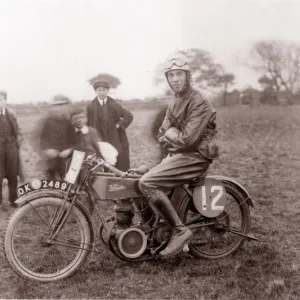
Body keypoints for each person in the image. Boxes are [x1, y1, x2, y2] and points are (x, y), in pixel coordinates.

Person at [138, 53, 219, 258]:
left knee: (147, 183)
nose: (175, 79)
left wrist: (171, 134)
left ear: (187, 75)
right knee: (137, 179)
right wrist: (173, 135)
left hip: (196, 157)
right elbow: (160, 133)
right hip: (179, 155)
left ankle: (180, 231)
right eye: (171, 75)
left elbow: (189, 140)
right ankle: (151, 233)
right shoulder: (175, 101)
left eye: (179, 74)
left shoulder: (199, 102)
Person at [86, 80, 133, 171]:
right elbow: (86, 122)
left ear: (107, 91)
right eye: (99, 90)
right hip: (99, 139)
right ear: (96, 91)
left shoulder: (115, 105)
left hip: (116, 138)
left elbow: (129, 116)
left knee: (119, 162)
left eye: (104, 90)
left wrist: (119, 125)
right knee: (100, 163)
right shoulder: (90, 107)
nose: (102, 92)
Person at [33, 95, 74, 180]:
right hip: (49, 162)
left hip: (67, 161)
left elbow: (76, 141)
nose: (60, 108)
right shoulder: (44, 122)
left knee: (68, 187)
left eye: (63, 105)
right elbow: (36, 140)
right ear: (52, 107)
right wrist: (46, 150)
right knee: (51, 187)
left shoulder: (71, 121)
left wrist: (70, 149)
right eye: (57, 105)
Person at [0, 90, 24, 207]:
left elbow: (19, 130)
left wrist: (18, 142)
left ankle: (13, 199)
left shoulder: (11, 114)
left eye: (1, 99)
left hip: (11, 148)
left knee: (12, 174)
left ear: (5, 100)